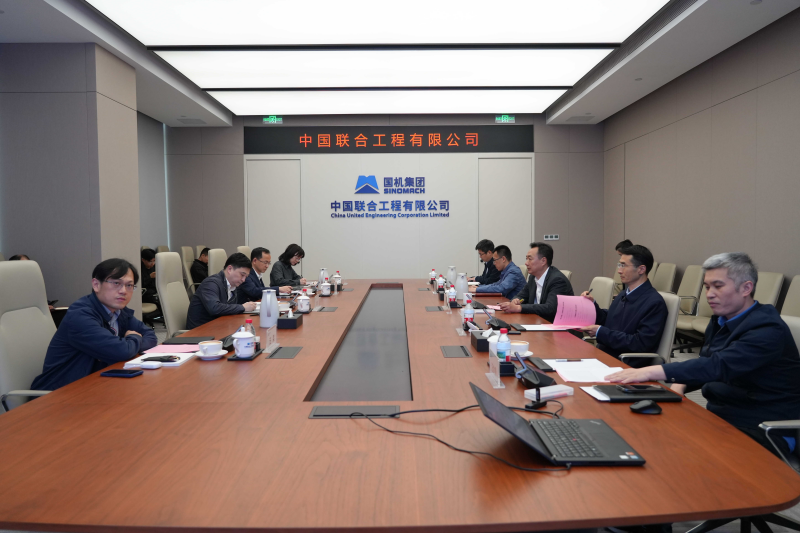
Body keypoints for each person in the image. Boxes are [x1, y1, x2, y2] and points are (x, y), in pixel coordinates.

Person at [608, 252, 800, 458]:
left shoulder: (767, 329)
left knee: (677, 456)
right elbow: (706, 362)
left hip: (762, 427)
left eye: (718, 286)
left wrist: (650, 371)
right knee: (646, 436)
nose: (709, 294)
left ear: (746, 288)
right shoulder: (721, 320)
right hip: (722, 416)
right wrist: (679, 387)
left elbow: (719, 365)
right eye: (707, 287)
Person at [30, 258, 157, 391]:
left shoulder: (119, 311)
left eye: (129, 285)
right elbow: (121, 351)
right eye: (116, 283)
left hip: (97, 384)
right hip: (59, 392)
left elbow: (150, 336)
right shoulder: (80, 315)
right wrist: (134, 338)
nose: (123, 291)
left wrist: (127, 345)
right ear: (96, 285)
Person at [580, 244, 667, 360]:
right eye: (619, 265)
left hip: (622, 361)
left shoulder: (654, 303)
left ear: (641, 269)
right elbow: (609, 320)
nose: (619, 271)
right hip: (605, 354)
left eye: (624, 266)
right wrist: (591, 305)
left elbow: (640, 343)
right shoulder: (624, 294)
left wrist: (601, 332)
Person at [499, 242, 573, 323]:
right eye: (526, 259)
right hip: (536, 321)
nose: (526, 263)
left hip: (555, 326)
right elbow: (521, 295)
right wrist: (516, 300)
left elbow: (550, 308)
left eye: (530, 259)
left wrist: (519, 308)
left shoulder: (557, 280)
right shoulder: (533, 277)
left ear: (543, 261)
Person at [186, 252, 256, 329]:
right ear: (229, 269)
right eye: (242, 275)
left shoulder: (233, 285)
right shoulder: (210, 283)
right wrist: (243, 307)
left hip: (219, 326)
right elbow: (215, 308)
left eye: (246, 277)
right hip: (200, 331)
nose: (243, 280)